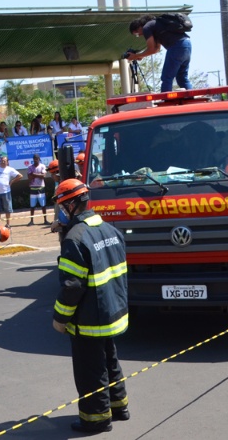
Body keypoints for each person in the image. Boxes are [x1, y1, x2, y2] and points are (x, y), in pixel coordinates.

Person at [52, 179, 130, 434]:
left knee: (90, 369)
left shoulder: (75, 239)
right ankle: (119, 407)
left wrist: (60, 318)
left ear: (72, 204)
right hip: (112, 311)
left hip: (89, 319)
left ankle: (95, 419)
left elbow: (72, 286)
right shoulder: (109, 229)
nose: (63, 211)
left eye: (64, 206)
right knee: (111, 361)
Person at [127, 13, 192, 92]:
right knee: (182, 76)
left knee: (166, 77)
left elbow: (152, 49)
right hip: (187, 44)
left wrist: (136, 56)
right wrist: (140, 56)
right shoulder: (157, 24)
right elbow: (156, 49)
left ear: (139, 27)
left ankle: (166, 101)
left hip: (176, 46)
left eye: (137, 34)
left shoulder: (146, 28)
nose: (140, 35)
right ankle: (191, 97)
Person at [0, 156, 22, 228]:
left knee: (7, 209)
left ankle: (8, 224)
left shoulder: (9, 169)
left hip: (6, 192)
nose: (3, 162)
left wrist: (12, 181)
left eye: (4, 161)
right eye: (2, 160)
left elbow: (20, 176)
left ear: (7, 162)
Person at [27, 153, 48, 225]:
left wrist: (34, 174)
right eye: (34, 159)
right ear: (33, 159)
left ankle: (45, 220)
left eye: (37, 159)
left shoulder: (42, 166)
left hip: (41, 188)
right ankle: (31, 221)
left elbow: (43, 176)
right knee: (32, 206)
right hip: (33, 188)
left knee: (43, 205)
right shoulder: (30, 167)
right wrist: (39, 175)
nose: (36, 160)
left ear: (39, 159)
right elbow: (29, 177)